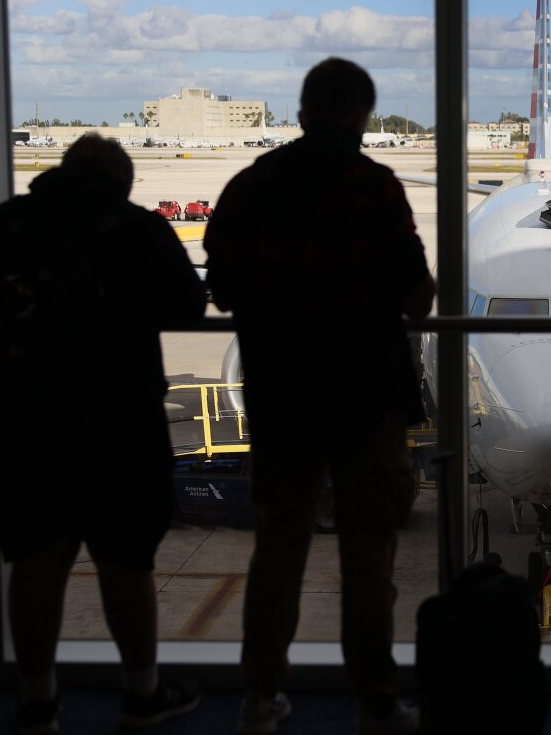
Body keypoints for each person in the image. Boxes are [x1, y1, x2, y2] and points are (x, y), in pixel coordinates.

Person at [204, 57, 436, 735]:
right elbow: (419, 299)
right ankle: (376, 702)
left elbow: (222, 288)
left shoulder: (252, 186)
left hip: (283, 398)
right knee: (369, 562)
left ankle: (259, 697)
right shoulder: (376, 187)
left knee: (278, 554)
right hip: (367, 397)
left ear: (302, 112)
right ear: (363, 115)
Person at [0, 134, 208, 733]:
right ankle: (142, 693)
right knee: (126, 564)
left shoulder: (6, 224)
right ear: (119, 183)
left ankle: (36, 702)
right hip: (118, 423)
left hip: (22, 420)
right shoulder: (137, 228)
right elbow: (187, 308)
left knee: (34, 563)